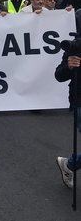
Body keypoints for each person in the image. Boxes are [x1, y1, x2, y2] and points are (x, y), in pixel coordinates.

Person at [55, 42, 81, 189]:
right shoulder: (76, 47)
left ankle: (69, 164)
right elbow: (59, 75)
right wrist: (69, 66)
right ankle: (69, 164)